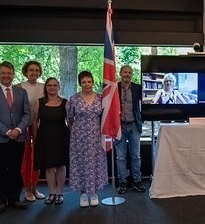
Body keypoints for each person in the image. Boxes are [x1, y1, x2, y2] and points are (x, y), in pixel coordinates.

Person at [0, 61, 31, 214]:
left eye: (9, 73)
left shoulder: (21, 92)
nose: (6, 76)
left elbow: (27, 114)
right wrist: (6, 131)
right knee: (1, 170)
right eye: (3, 73)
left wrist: (17, 130)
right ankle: (2, 201)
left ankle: (15, 198)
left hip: (18, 137)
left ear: (13, 74)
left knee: (16, 169)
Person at [67, 71, 108, 207]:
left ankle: (94, 193)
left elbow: (105, 116)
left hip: (96, 137)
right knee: (81, 164)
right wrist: (78, 131)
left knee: (95, 163)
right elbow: (70, 119)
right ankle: (83, 194)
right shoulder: (73, 99)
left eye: (89, 81)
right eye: (84, 82)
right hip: (79, 138)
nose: (87, 84)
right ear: (80, 83)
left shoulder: (100, 98)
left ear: (93, 82)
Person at [33, 77, 69, 205]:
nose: (52, 87)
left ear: (59, 87)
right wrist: (35, 138)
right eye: (49, 85)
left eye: (55, 85)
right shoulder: (39, 102)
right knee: (49, 166)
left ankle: (60, 193)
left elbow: (70, 122)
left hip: (61, 137)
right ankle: (51, 193)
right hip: (44, 137)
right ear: (46, 87)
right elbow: (35, 121)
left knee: (60, 165)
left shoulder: (66, 102)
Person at [18, 61, 46, 202]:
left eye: (36, 70)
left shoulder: (43, 87)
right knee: (25, 159)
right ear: (26, 71)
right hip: (23, 127)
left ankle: (34, 187)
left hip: (39, 127)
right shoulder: (19, 87)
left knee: (36, 159)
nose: (34, 72)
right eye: (31, 70)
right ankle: (27, 189)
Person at [116, 65, 145, 194]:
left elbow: (145, 105)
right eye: (124, 72)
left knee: (136, 156)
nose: (126, 74)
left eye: (129, 72)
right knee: (120, 156)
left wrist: (141, 120)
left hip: (134, 125)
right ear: (120, 73)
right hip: (119, 126)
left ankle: (137, 181)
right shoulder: (114, 88)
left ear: (131, 75)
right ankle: (122, 182)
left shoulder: (138, 88)